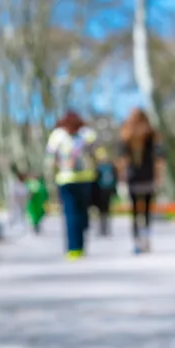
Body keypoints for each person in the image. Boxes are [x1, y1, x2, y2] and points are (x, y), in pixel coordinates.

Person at [45, 110, 97, 260]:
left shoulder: (57, 135)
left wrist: (53, 174)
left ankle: (73, 248)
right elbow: (98, 154)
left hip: (65, 178)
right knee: (82, 212)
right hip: (86, 178)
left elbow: (50, 158)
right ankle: (80, 245)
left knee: (70, 213)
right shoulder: (87, 134)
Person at [120, 107, 157, 254]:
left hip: (133, 176)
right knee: (146, 211)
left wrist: (122, 175)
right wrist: (158, 176)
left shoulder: (126, 134)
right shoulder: (151, 133)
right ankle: (146, 240)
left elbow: (122, 159)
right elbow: (158, 158)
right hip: (147, 175)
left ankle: (137, 242)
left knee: (135, 210)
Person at [91, 146, 117, 237]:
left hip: (103, 191)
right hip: (104, 191)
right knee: (104, 211)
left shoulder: (99, 168)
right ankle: (104, 229)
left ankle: (104, 229)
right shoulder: (109, 167)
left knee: (103, 211)